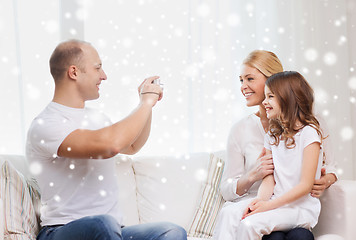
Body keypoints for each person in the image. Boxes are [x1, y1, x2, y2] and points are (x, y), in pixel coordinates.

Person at [26, 39, 187, 240]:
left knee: (172, 232)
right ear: (74, 72)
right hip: (61, 231)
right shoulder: (46, 125)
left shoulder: (97, 118)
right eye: (98, 68)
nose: (104, 76)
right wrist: (145, 103)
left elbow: (132, 145)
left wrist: (146, 105)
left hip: (112, 232)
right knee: (103, 223)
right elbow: (110, 145)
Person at [212, 50, 337, 240]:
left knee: (296, 236)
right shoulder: (268, 134)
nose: (243, 87)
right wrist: (253, 180)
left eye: (250, 79)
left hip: (293, 207)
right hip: (269, 202)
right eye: (241, 80)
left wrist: (326, 179)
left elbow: (324, 170)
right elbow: (236, 187)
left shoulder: (311, 128)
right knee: (230, 214)